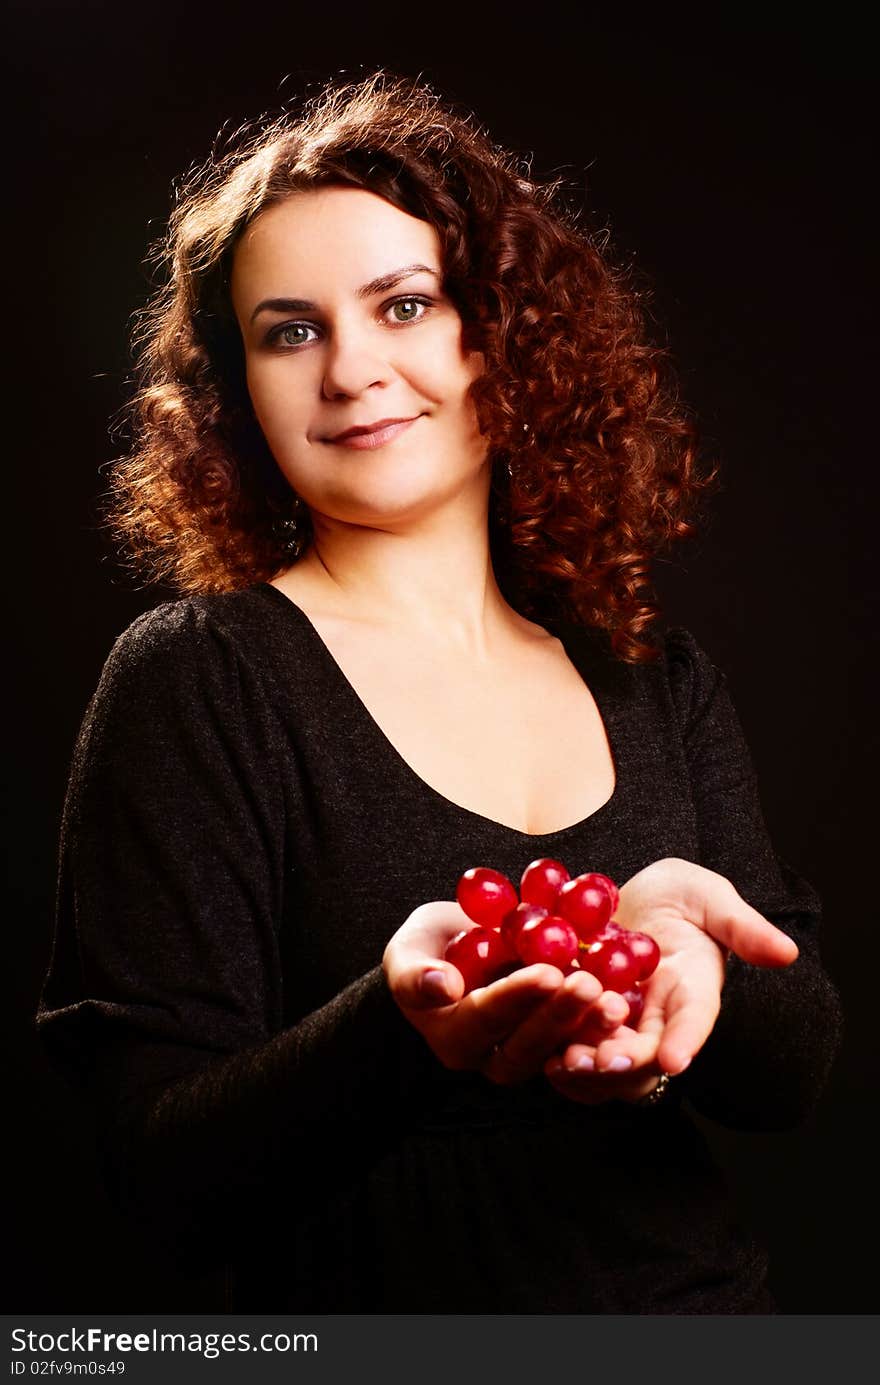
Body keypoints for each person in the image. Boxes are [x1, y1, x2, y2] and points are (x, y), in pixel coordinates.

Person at [36, 69, 842, 1313]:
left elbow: (791, 1082)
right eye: (289, 330)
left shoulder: (649, 675)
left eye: (404, 304)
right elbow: (150, 1174)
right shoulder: (195, 679)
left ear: (503, 333)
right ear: (237, 393)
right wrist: (402, 1033)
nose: (352, 370)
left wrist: (703, 954)